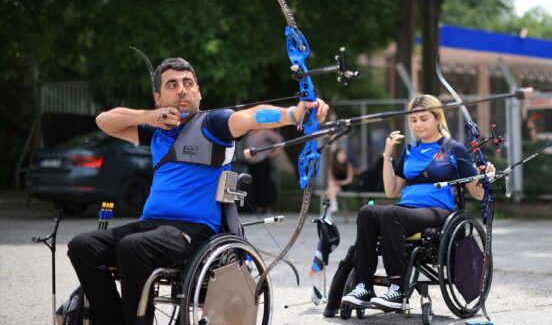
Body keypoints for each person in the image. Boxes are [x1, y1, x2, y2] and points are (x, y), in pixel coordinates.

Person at [66, 57, 329, 325]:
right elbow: (104, 120)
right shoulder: (155, 131)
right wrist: (149, 117)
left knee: (132, 248)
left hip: (193, 230)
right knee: (82, 246)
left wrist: (293, 114)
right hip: (152, 226)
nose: (182, 89)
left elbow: (251, 117)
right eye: (172, 84)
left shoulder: (213, 124)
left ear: (199, 92)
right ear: (158, 98)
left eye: (188, 83)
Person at [341, 94, 494, 310]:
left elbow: (477, 194)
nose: (418, 124)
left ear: (437, 118)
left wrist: (485, 176)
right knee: (367, 211)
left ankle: (397, 287)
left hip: (438, 211)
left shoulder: (454, 149)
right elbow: (392, 190)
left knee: (390, 214)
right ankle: (364, 285)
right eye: (414, 120)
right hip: (405, 210)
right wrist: (387, 155)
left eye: (424, 119)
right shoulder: (410, 150)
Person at [242, 128, 284, 213]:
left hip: (263, 160)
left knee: (264, 182)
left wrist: (275, 152)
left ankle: (267, 205)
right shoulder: (249, 133)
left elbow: (279, 139)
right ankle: (257, 206)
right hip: (252, 162)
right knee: (254, 184)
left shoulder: (265, 132)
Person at [325, 148, 354, 220]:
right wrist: (334, 184)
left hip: (345, 185)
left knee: (329, 191)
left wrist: (340, 182)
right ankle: (333, 206)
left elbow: (350, 180)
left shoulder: (348, 165)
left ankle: (329, 212)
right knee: (331, 187)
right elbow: (330, 179)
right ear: (336, 156)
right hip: (335, 186)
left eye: (343, 155)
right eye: (341, 155)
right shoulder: (332, 166)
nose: (343, 156)